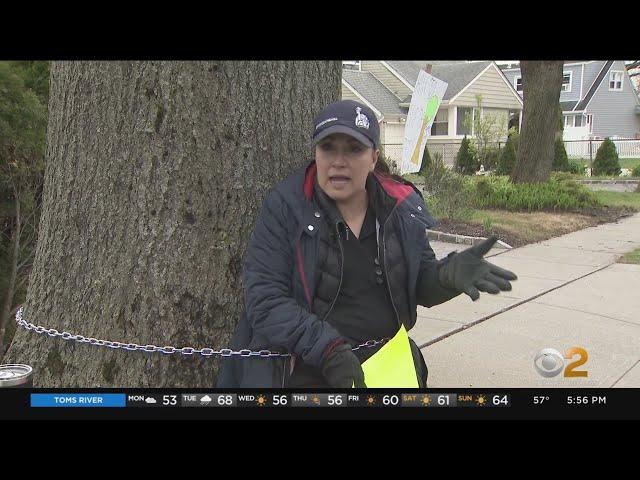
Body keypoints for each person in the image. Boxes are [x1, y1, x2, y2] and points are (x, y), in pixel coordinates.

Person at [217, 99, 517, 388]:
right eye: (328, 148)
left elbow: (418, 284)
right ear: (316, 153)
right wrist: (328, 349)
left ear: (373, 157)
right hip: (306, 366)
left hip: (387, 364)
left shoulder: (401, 209)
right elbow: (265, 300)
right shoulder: (286, 207)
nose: (338, 162)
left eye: (354, 149)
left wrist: (446, 276)